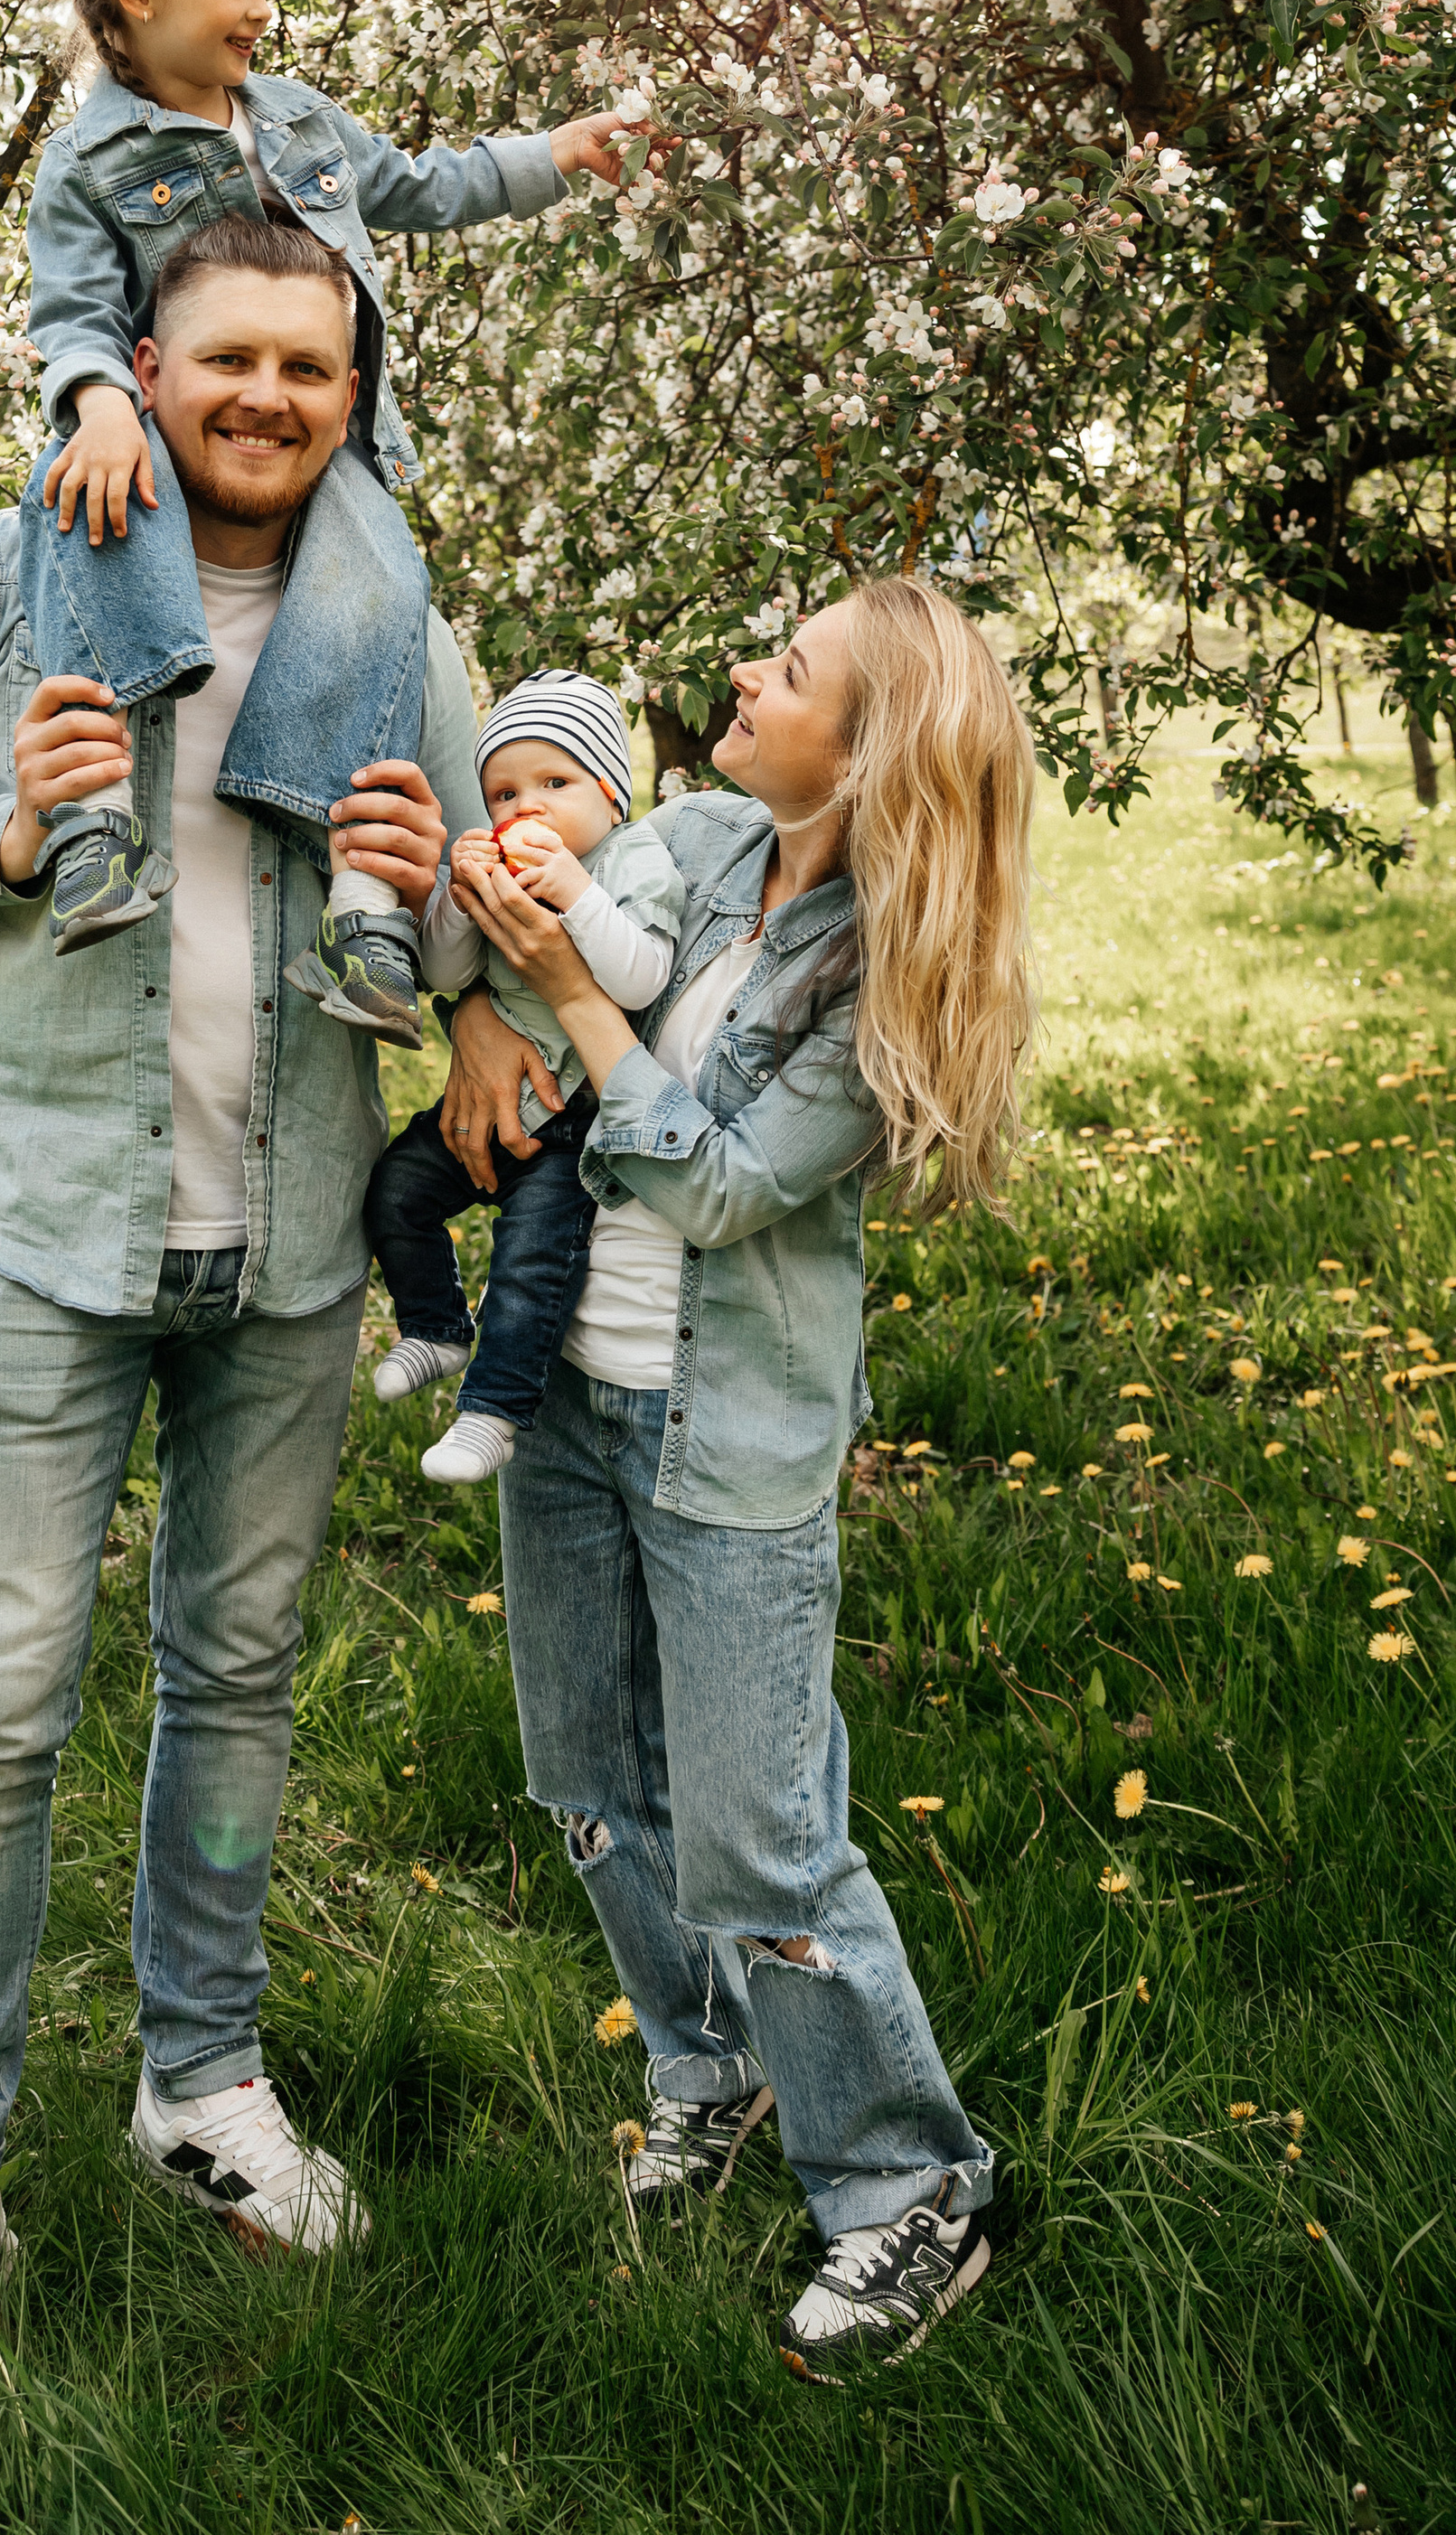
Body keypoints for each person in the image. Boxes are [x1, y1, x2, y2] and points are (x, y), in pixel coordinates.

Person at [0, 213, 484, 2439]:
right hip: (39, 1228)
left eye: (313, 364)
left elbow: (490, 917)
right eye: (227, 359)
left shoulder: (389, 626)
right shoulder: (9, 578)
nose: (269, 396)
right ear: (140, 372)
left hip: (278, 1244)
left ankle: (202, 2080)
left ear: (353, 394)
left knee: (240, 1671)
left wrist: (442, 884)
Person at [442, 577, 1035, 2379]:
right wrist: (488, 993)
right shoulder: (696, 837)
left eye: (785, 675)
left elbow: (702, 1183)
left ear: (867, 755)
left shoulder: (884, 974)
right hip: (562, 1408)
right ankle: (710, 2071)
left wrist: (561, 995)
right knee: (584, 1780)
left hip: (728, 1446)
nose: (737, 678)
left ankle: (908, 2188)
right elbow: (533, 946)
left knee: (760, 1840)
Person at [21, 0, 653, 1044]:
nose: (262, 9)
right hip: (157, 440)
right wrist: (101, 404)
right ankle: (93, 830)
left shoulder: (299, 121)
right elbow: (70, 316)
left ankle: (366, 916)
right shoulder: (89, 163)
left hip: (329, 448)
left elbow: (417, 186)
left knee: (381, 603)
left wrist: (553, 158)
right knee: (85, 507)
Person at [364, 669, 683, 1484]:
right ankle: (434, 1326)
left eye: (554, 782)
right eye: (502, 794)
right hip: (487, 1091)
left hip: (575, 1119)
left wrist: (574, 893)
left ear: (611, 793)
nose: (523, 808)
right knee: (396, 1190)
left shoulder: (630, 862)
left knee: (531, 1263)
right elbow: (440, 968)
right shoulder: (500, 866)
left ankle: (494, 1413)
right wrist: (462, 899)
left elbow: (641, 977)